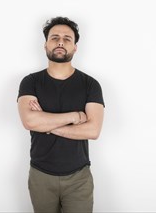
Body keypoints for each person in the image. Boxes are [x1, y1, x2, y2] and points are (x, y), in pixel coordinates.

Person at [17, 16, 105, 213]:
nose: (60, 42)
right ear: (45, 44)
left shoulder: (90, 84)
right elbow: (29, 120)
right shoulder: (30, 82)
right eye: (54, 37)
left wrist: (46, 123)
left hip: (79, 177)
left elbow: (93, 130)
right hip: (40, 175)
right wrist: (75, 116)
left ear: (75, 47)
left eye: (67, 39)